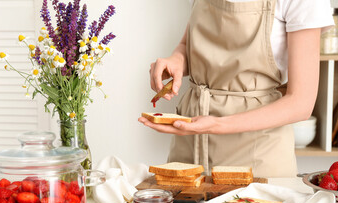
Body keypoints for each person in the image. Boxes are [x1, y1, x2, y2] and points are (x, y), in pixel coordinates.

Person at [138, 0, 334, 178]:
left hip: (257, 158)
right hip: (189, 148)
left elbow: (301, 103)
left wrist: (215, 125)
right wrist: (176, 61)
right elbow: (187, 45)